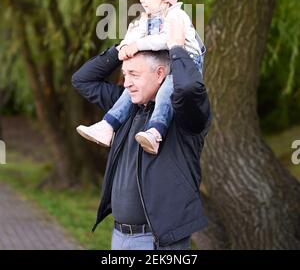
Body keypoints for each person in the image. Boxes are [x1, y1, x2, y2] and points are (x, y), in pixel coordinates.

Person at [71, 16, 212, 250]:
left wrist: (177, 47)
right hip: (120, 236)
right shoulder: (125, 108)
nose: (126, 83)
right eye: (125, 75)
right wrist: (125, 46)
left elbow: (188, 88)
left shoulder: (185, 117)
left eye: (134, 75)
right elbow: (82, 80)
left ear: (159, 74)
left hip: (160, 241)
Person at [76, 0, 206, 154]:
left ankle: (155, 131)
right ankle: (108, 125)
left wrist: (137, 46)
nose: (141, 0)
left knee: (165, 94)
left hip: (184, 65)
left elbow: (166, 40)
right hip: (163, 62)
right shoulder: (148, 18)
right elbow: (136, 34)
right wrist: (124, 47)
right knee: (129, 92)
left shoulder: (176, 15)